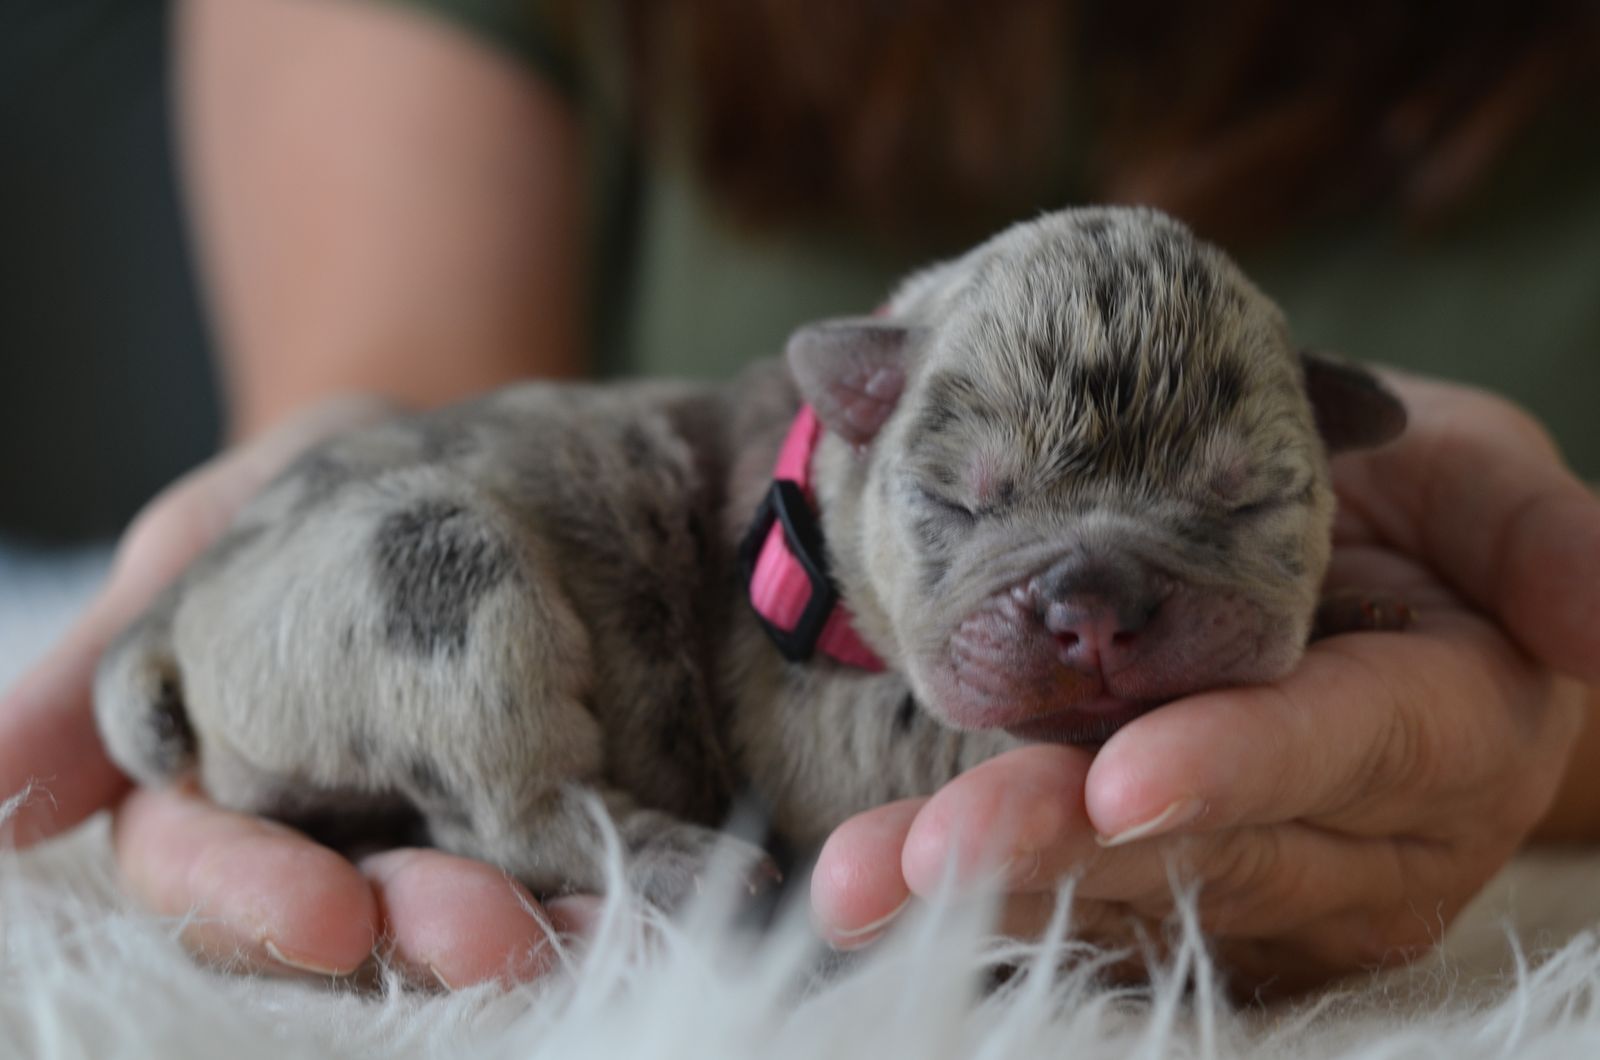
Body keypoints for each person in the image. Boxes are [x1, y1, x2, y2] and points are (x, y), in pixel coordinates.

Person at [3, 0, 1599, 993]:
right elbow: (394, 364)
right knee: (446, 566)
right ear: (862, 413)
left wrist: (1487, 674)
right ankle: (539, 816)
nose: (1092, 614)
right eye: (974, 511)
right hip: (376, 598)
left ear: (1337, 437)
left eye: (1239, 515)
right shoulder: (802, 588)